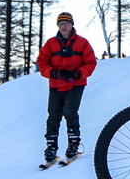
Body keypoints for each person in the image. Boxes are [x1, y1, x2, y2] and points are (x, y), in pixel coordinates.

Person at [35, 12, 97, 164]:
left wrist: (78, 74)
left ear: (72, 25)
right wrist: (53, 72)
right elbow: (41, 62)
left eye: (66, 23)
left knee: (70, 112)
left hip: (76, 84)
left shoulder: (82, 43)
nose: (63, 26)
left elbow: (91, 63)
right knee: (53, 115)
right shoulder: (50, 44)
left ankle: (73, 146)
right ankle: (51, 148)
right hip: (56, 84)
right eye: (60, 24)